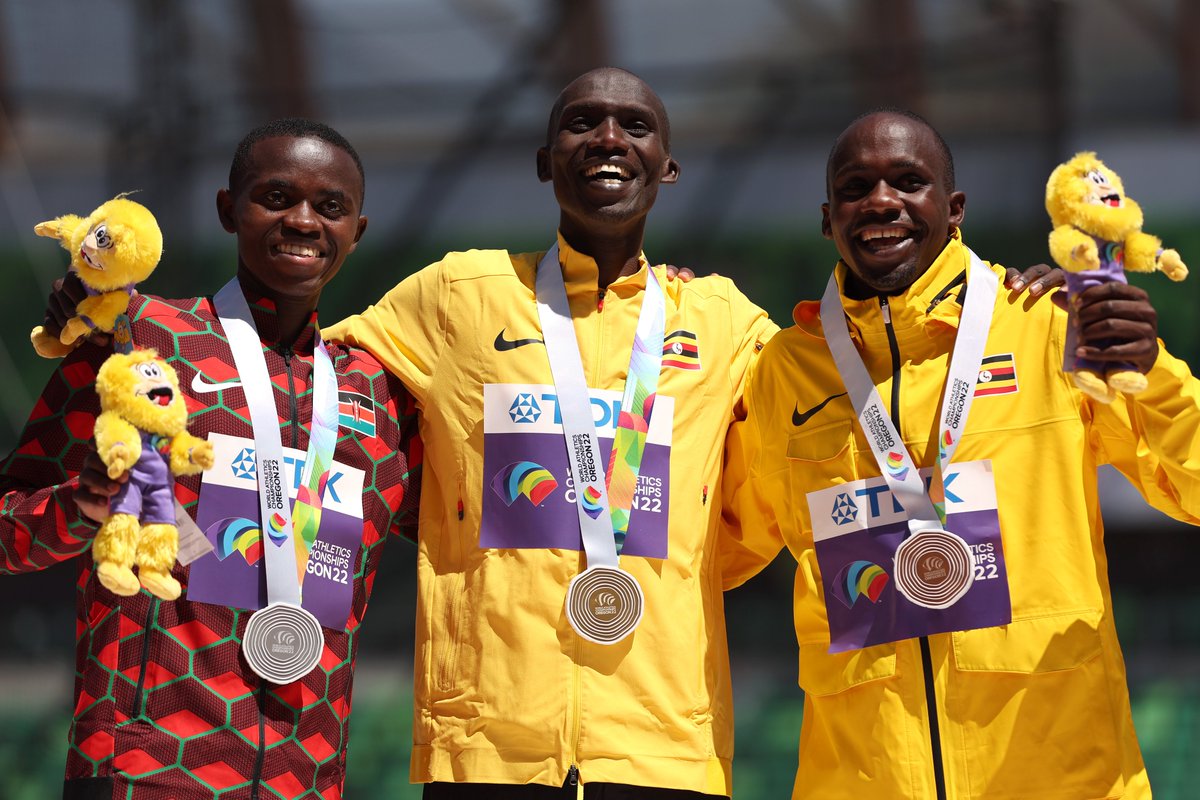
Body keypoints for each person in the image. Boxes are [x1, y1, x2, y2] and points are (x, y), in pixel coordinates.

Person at [326, 73, 1059, 798]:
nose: (609, 138)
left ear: (668, 168)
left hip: (668, 745)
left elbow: (838, 408)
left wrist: (995, 311)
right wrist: (433, 510)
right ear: (547, 160)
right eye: (583, 123)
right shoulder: (458, 294)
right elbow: (314, 382)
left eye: (635, 126)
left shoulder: (723, 323)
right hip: (484, 746)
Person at [719, 108, 1200, 799]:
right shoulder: (784, 373)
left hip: (1062, 775)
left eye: (908, 182)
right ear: (829, 219)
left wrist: (1152, 373)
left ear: (954, 210)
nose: (881, 201)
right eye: (857, 188)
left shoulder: (1046, 325)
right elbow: (720, 547)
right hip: (865, 778)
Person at [0, 118, 420, 799]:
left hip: (306, 777)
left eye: (330, 206)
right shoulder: (140, 339)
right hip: (147, 763)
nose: (304, 221)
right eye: (277, 197)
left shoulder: (376, 392)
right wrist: (80, 507)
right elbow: (9, 526)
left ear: (357, 231)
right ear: (229, 210)